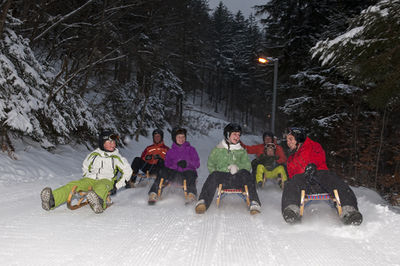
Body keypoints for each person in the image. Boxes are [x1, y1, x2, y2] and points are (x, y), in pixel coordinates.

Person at [281, 127, 363, 225]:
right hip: (304, 182)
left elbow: (319, 157)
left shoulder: (312, 145)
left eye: (290, 139)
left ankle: (349, 211)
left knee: (334, 179)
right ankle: (292, 211)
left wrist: (313, 165)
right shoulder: (291, 159)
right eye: (287, 140)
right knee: (291, 182)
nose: (288, 142)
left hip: (320, 176)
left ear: (299, 139)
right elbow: (292, 175)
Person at [40, 130, 133, 214]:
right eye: (110, 142)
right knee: (73, 185)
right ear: (102, 143)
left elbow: (128, 172)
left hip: (106, 180)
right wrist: (87, 176)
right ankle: (51, 200)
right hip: (90, 179)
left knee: (101, 187)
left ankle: (98, 204)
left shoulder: (118, 158)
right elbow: (85, 165)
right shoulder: (93, 155)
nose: (113, 144)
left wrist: (116, 185)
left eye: (114, 142)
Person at [195, 123, 261, 215]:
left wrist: (237, 168)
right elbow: (211, 163)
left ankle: (254, 202)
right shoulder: (218, 149)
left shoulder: (241, 150)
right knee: (213, 175)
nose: (237, 137)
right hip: (223, 179)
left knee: (247, 174)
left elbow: (247, 165)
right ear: (227, 134)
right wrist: (222, 170)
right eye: (234, 134)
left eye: (238, 135)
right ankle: (203, 201)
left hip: (238, 180)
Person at [148, 127, 200, 204]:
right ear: (174, 138)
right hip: (175, 175)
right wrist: (175, 165)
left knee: (191, 173)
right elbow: (167, 164)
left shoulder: (191, 149)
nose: (181, 139)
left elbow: (197, 164)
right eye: (179, 137)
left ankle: (191, 195)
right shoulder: (170, 151)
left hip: (187, 175)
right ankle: (153, 193)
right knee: (163, 170)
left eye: (183, 137)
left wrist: (187, 163)